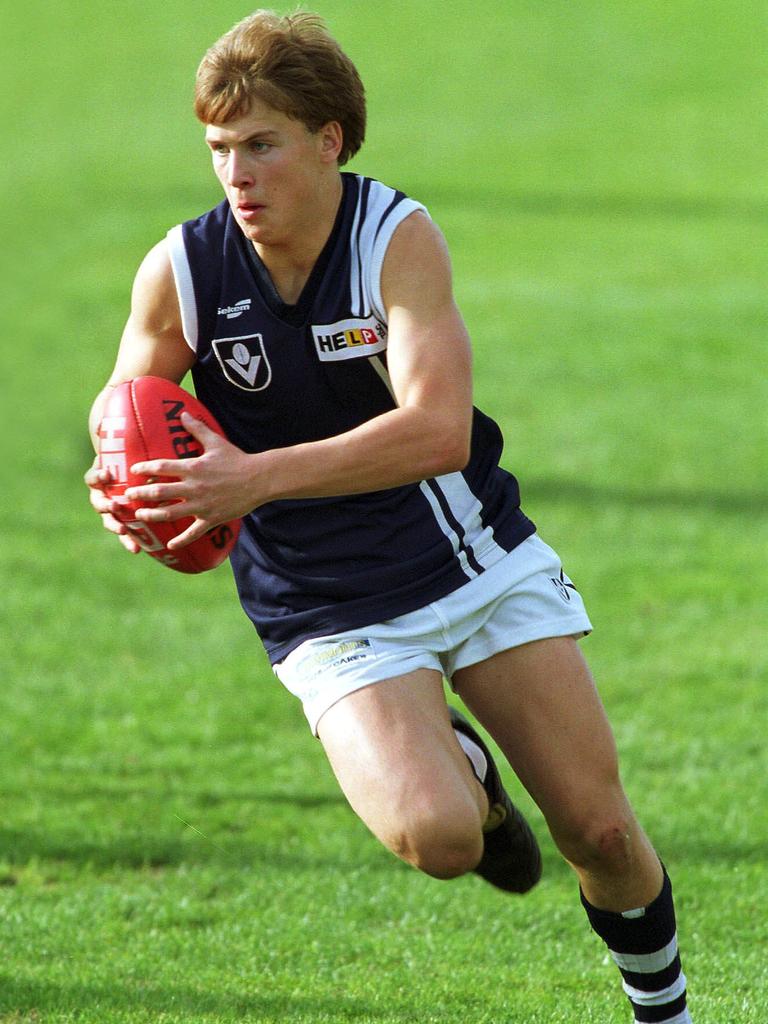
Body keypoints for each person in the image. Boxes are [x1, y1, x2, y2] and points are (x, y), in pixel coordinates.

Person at [85, 11, 692, 1022]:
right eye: (220, 150)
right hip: (324, 605)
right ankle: (468, 774)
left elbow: (439, 431)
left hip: (467, 556)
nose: (238, 174)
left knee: (601, 830)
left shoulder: (393, 240)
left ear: (329, 139)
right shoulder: (183, 274)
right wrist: (130, 501)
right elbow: (124, 422)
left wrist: (254, 477)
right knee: (440, 837)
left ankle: (665, 1013)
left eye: (262, 144)